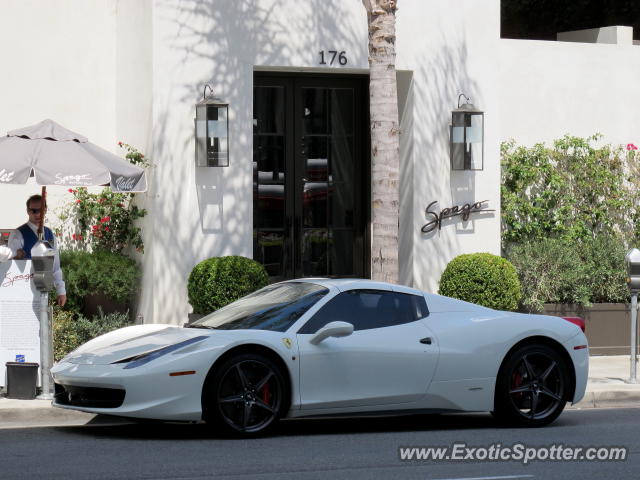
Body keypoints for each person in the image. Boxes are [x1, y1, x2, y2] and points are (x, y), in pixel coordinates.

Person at [8, 194, 66, 306]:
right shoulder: (18, 234)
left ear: (45, 210)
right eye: (34, 211)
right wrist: (16, 256)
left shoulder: (50, 234)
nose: (38, 214)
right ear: (28, 211)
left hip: (43, 290)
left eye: (41, 210)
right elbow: (11, 264)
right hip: (23, 293)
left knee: (42, 321)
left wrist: (61, 290)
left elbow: (55, 265)